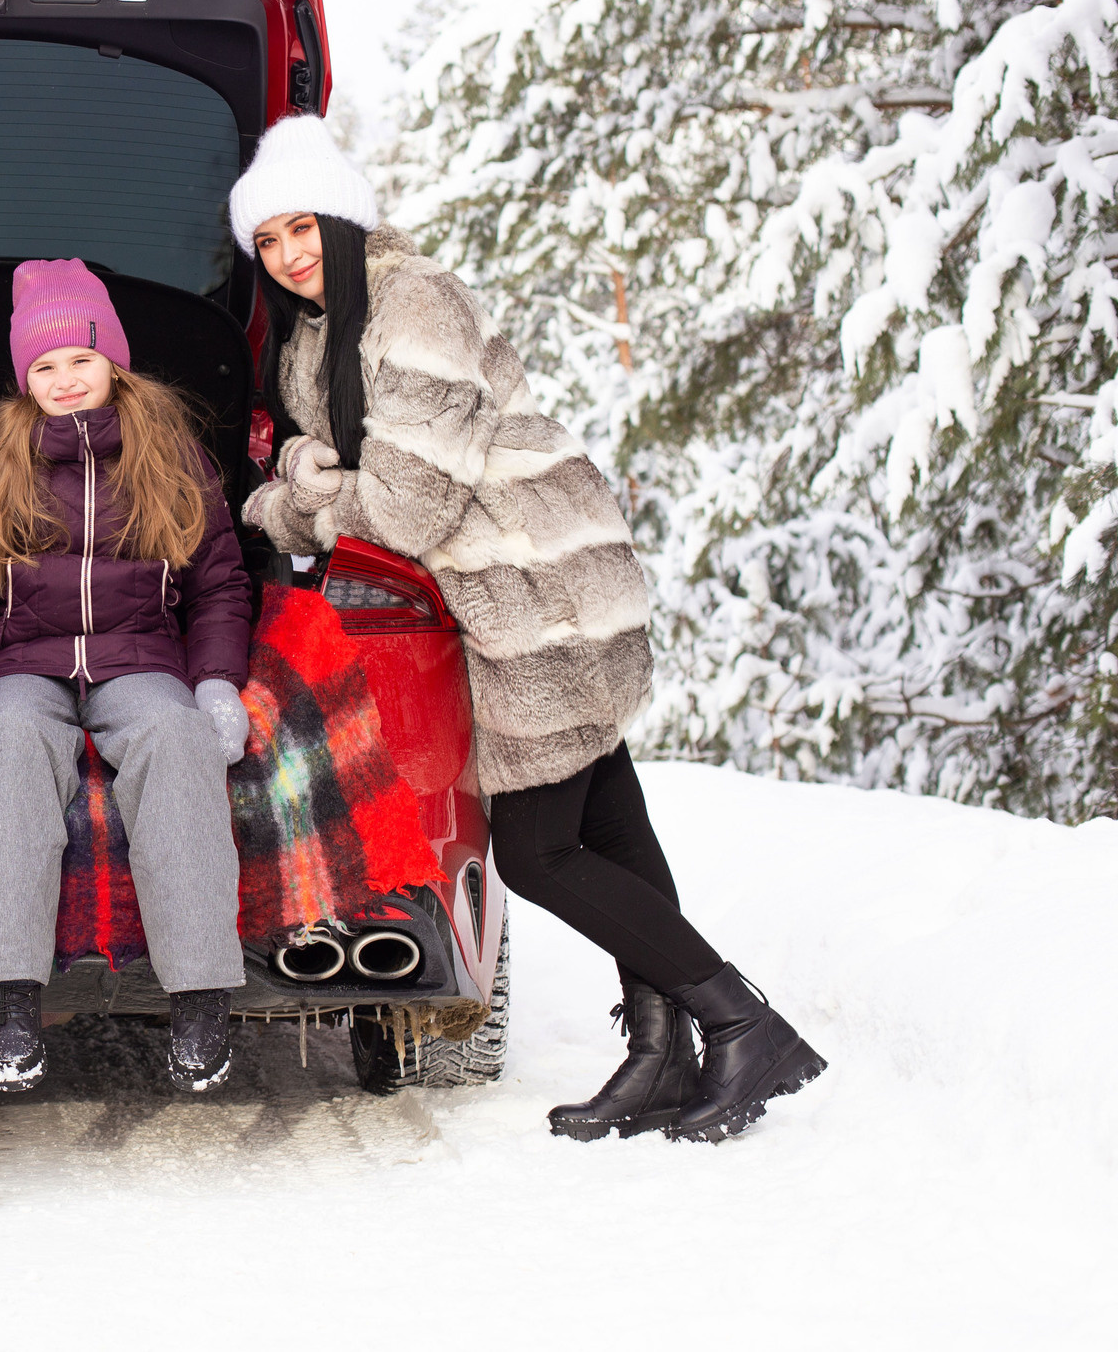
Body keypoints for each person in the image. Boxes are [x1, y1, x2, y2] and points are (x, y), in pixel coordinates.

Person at [230, 113, 825, 1144]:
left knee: (540, 852)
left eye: (301, 228)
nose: (288, 256)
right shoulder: (321, 329)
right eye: (267, 241)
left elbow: (407, 506)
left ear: (343, 214)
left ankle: (742, 1020)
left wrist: (295, 495)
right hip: (507, 585)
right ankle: (661, 1056)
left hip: (537, 592)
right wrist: (308, 471)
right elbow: (326, 456)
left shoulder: (411, 303)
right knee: (607, 829)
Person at [0, 260, 254, 1095]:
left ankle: (202, 993)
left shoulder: (170, 456)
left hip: (140, 656)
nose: (64, 379)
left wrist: (213, 683)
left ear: (114, 363)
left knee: (177, 741)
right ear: (25, 380)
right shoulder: (1, 461)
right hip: (22, 663)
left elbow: (219, 586)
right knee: (13, 743)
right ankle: (7, 996)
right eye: (44, 367)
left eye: (80, 359)